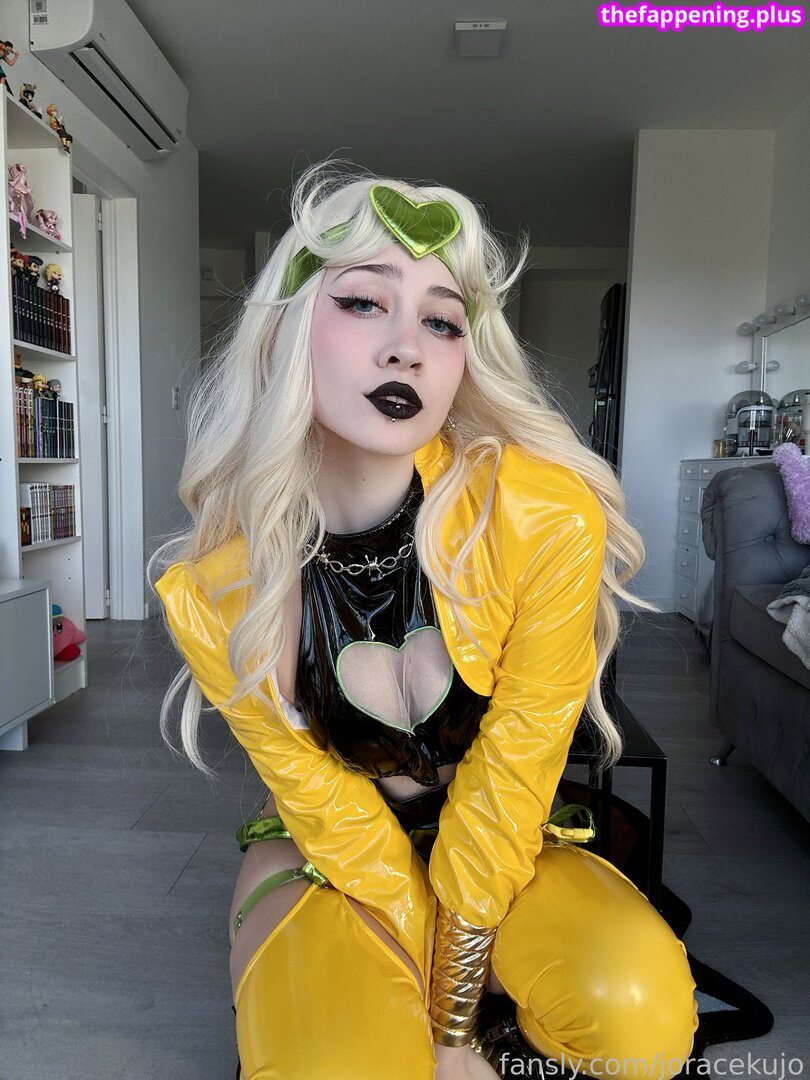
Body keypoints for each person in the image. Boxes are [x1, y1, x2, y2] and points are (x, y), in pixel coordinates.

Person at [151, 164, 698, 1080]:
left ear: (463, 358)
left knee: (638, 1017)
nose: (406, 347)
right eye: (364, 303)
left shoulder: (541, 516)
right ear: (287, 329)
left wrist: (451, 1021)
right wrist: (444, 1028)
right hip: (335, 852)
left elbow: (515, 772)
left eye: (442, 321)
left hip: (502, 842)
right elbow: (335, 818)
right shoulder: (216, 592)